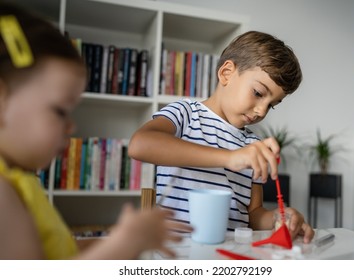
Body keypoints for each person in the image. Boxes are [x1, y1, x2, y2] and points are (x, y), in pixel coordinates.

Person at [0, 3, 191, 260]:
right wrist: (126, 241)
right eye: (60, 111)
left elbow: (58, 255)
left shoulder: (19, 183)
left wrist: (119, 239)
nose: (72, 127)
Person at [128, 31, 314, 243]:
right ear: (226, 73)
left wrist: (278, 219)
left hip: (229, 255)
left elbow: (253, 214)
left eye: (271, 105)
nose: (262, 111)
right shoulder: (185, 114)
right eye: (258, 93)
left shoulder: (252, 146)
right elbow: (140, 145)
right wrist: (229, 157)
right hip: (176, 251)